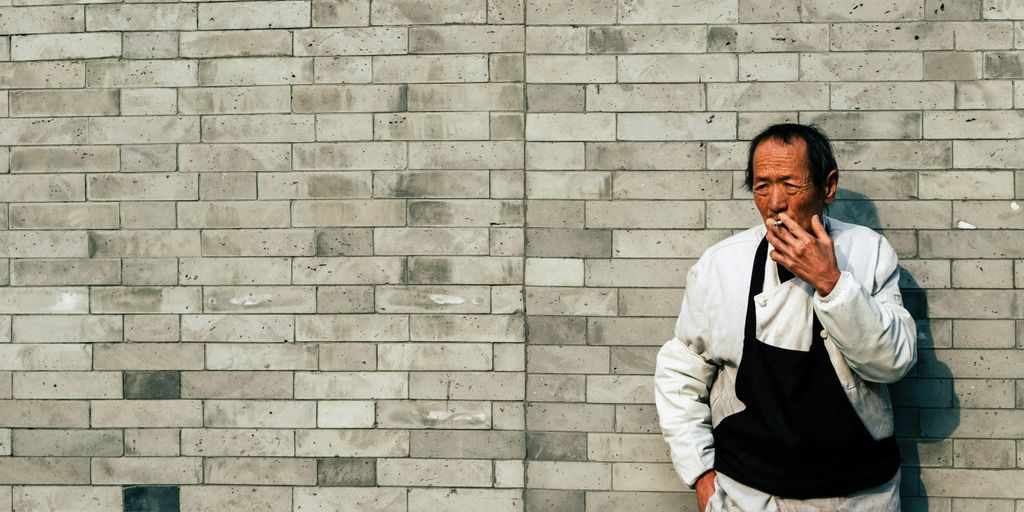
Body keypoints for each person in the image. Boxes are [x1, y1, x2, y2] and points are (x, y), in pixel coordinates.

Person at [654, 124, 917, 512]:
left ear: (828, 187)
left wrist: (831, 283)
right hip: (749, 494)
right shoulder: (721, 265)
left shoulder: (868, 254)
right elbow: (681, 372)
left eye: (790, 185)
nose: (775, 202)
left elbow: (891, 363)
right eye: (762, 186)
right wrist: (701, 473)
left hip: (859, 495)